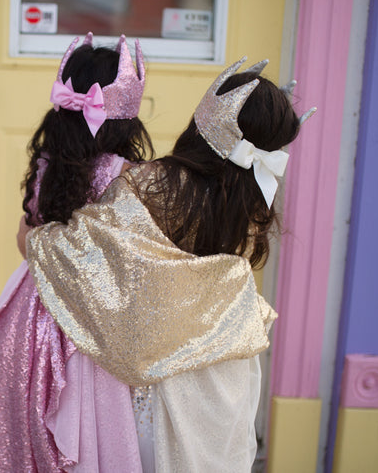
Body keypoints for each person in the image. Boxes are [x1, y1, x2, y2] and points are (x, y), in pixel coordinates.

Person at [21, 57, 316, 472]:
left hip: (161, 379)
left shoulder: (149, 184)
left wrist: (36, 239)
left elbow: (87, 253)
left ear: (201, 122)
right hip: (223, 372)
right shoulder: (252, 204)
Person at [0, 32, 153, 472]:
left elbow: (25, 241)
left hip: (24, 322)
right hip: (84, 331)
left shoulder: (47, 163)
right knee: (89, 433)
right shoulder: (127, 176)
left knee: (27, 433)